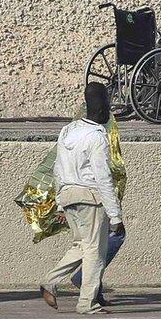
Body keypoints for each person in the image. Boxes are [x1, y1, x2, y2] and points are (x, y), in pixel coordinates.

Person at [16, 99, 129, 308]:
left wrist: (60, 202)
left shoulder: (68, 131)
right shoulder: (97, 136)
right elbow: (102, 177)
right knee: (95, 251)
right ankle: (87, 303)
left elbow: (58, 168)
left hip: (69, 196)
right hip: (91, 198)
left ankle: (50, 282)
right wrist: (115, 216)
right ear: (103, 112)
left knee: (81, 245)